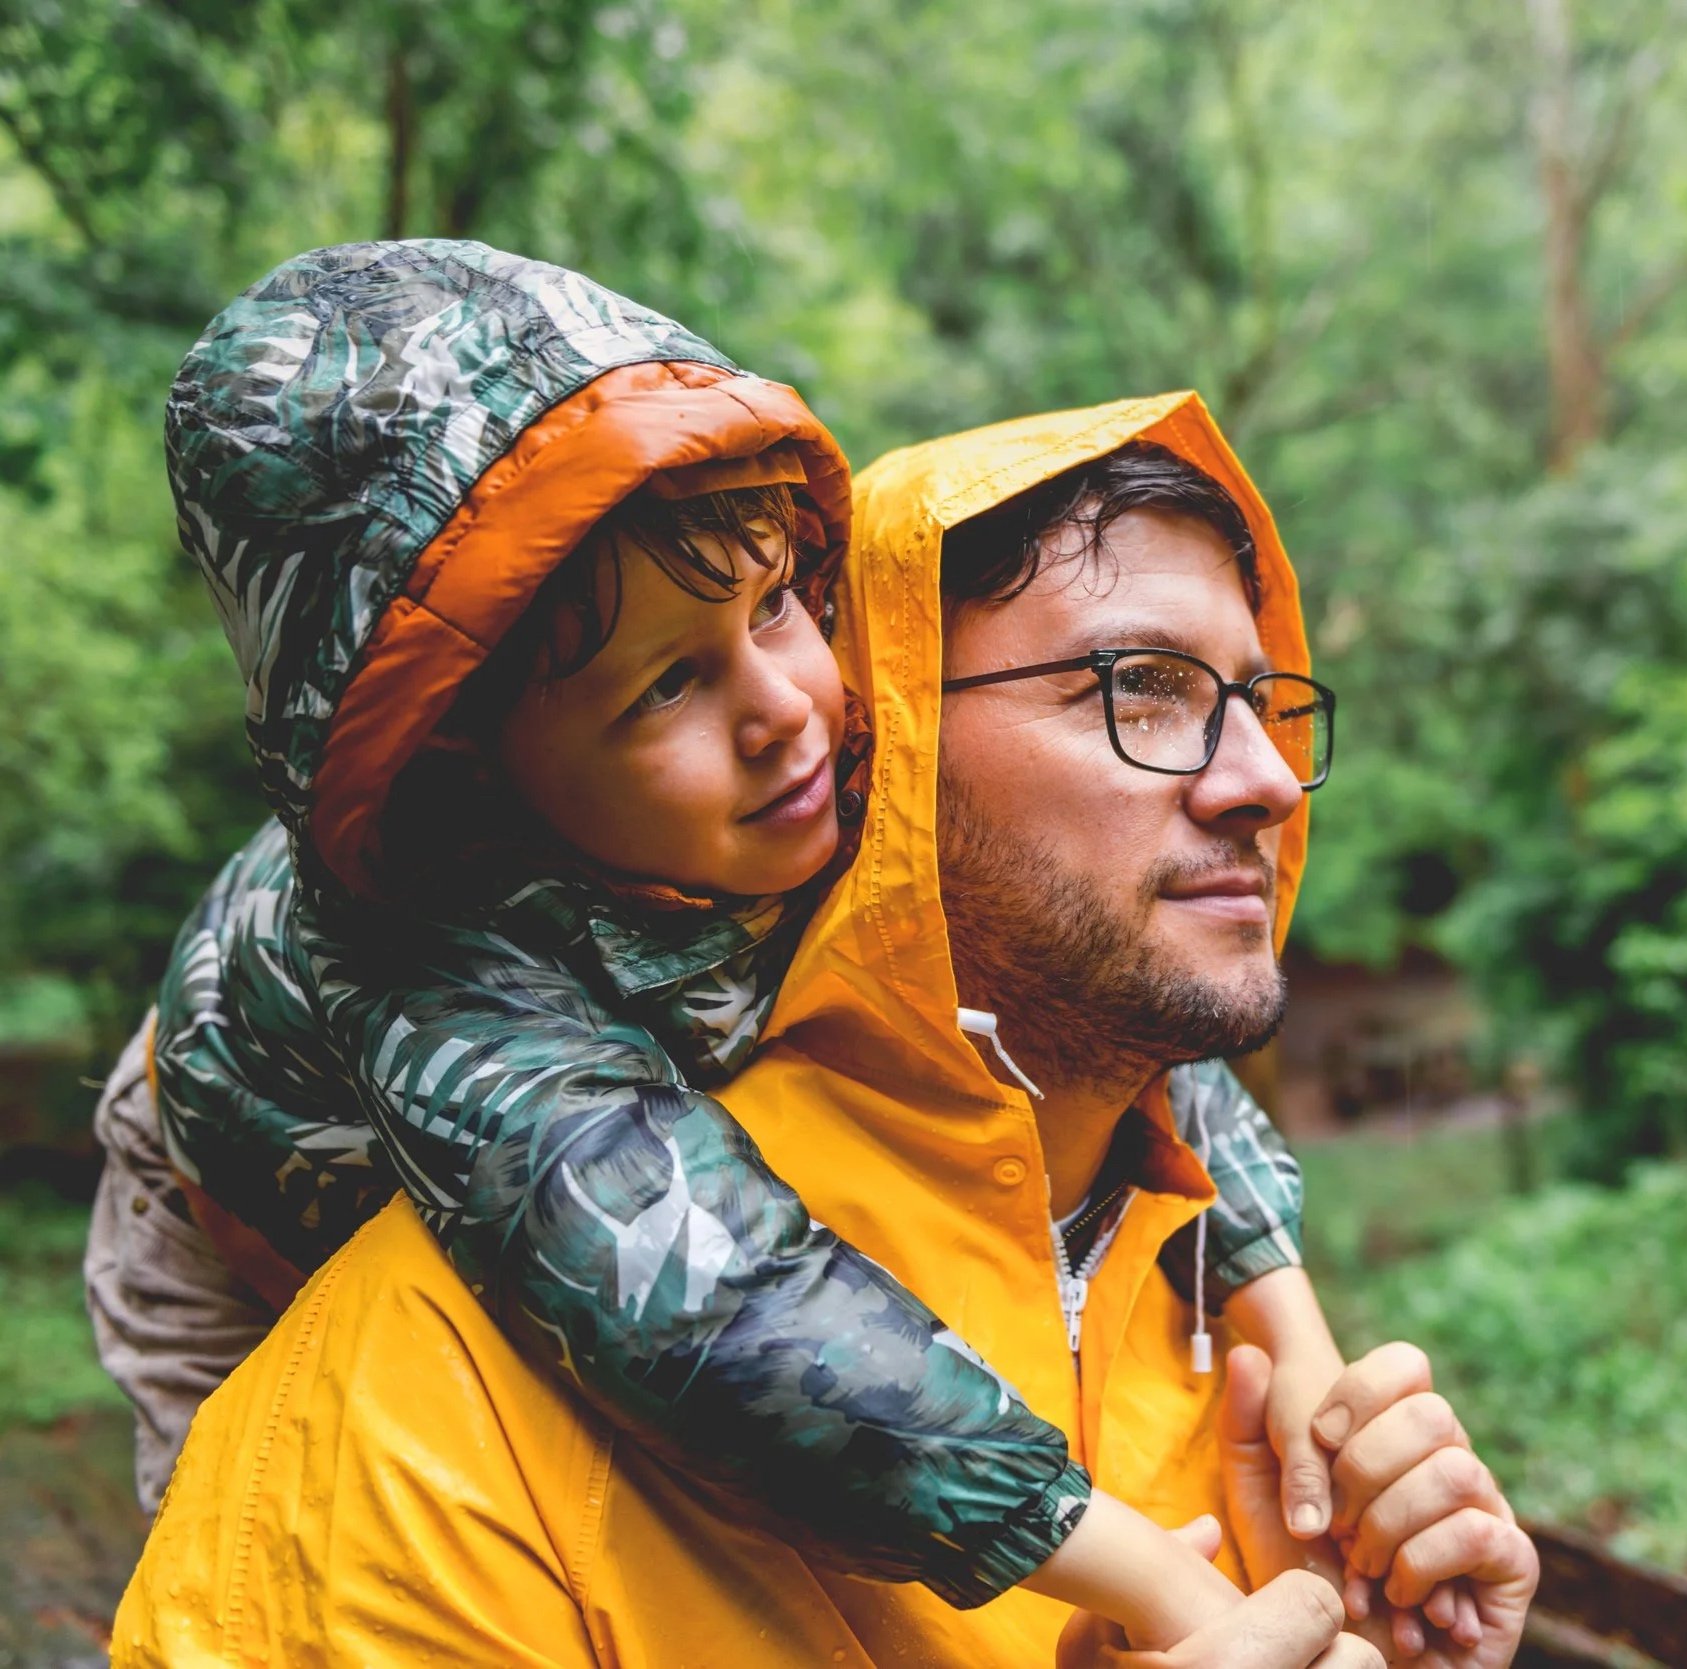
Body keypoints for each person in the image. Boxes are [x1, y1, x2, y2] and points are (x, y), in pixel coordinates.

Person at [112, 388, 1539, 1666]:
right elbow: (708, 1296)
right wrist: (1174, 1591)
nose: (1266, 782)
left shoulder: (1156, 1233)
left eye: (1256, 698)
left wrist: (1299, 1360)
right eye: (1136, 689)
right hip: (249, 1169)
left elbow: (1188, 1092)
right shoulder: (449, 1299)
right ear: (910, 740)